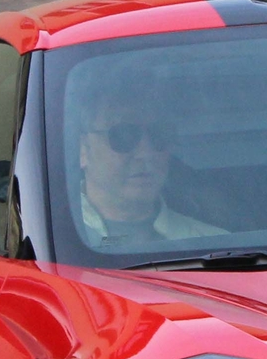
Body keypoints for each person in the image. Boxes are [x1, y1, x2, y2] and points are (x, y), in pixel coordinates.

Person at [70, 82, 221, 250]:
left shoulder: (216, 247)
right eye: (123, 135)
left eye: (159, 134)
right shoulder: (45, 243)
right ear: (82, 149)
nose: (146, 153)